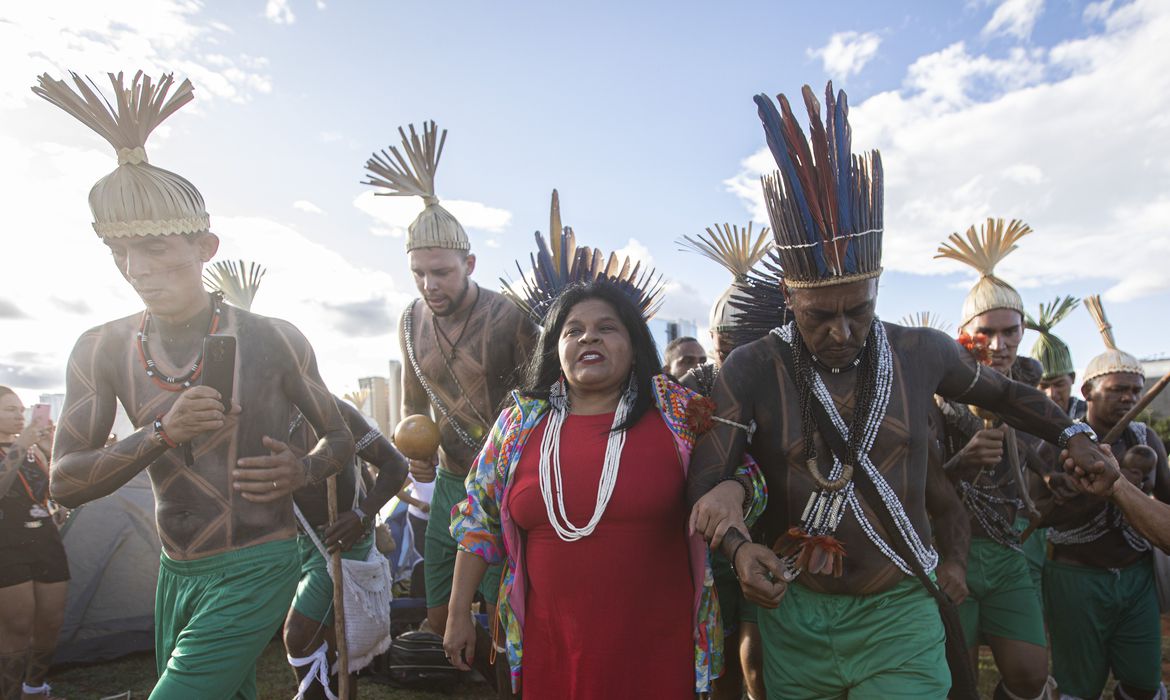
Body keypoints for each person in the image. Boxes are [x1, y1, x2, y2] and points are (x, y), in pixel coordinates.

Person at [685, 82, 1112, 699]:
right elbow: (707, 478)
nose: (841, 331)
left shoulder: (920, 352)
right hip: (795, 617)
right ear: (788, 299)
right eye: (818, 317)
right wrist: (735, 542)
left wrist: (1074, 431)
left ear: (878, 287)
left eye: (858, 310)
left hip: (900, 612)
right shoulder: (754, 367)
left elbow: (1007, 396)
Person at [35, 71, 353, 700]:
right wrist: (161, 433)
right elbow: (63, 479)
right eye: (120, 253)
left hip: (260, 562)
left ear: (206, 245)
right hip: (174, 572)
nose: (137, 270)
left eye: (155, 249)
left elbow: (343, 439)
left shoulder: (276, 338)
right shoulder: (99, 347)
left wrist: (306, 471)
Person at [445, 229, 767, 697]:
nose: (588, 336)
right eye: (572, 330)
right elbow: (478, 519)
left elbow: (749, 474)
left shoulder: (678, 412)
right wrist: (457, 616)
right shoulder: (519, 424)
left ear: (635, 345)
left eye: (606, 327)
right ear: (556, 348)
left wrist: (732, 489)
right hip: (552, 645)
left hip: (658, 648)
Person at [362, 123, 539, 696]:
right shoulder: (410, 320)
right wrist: (414, 450)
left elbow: (540, 402)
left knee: (504, 603)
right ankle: (459, 677)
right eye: (418, 272)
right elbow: (415, 404)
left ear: (470, 262)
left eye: (441, 271)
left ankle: (508, 679)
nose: (429, 284)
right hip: (448, 480)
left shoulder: (511, 318)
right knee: (442, 605)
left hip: (508, 479)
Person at [932, 219, 1054, 700]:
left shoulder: (1029, 396)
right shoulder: (936, 395)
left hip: (1007, 550)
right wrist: (961, 464)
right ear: (965, 335)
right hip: (948, 549)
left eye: (1011, 332)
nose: (999, 346)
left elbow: (1049, 456)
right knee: (956, 681)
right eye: (987, 333)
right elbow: (912, 485)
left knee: (1029, 676)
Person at [1038, 295, 1169, 700]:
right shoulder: (1058, 440)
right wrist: (1100, 489)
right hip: (1076, 578)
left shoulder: (1147, 439)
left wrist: (1130, 487)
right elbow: (1044, 515)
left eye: (1135, 390)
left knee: (1144, 684)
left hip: (1137, 577)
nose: (1129, 399)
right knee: (1079, 686)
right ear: (1088, 391)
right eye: (1117, 390)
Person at [678, 221, 774, 700]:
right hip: (706, 540)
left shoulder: (783, 384)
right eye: (726, 347)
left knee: (756, 661)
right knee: (718, 666)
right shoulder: (689, 389)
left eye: (746, 349)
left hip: (772, 533)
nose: (735, 362)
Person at [283, 396, 409, 700]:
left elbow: (395, 465)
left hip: (343, 543)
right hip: (300, 544)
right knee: (334, 648)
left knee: (298, 635)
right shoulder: (255, 414)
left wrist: (362, 515)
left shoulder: (333, 410)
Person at [0, 389, 66, 700]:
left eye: (20, 409)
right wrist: (19, 446)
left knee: (50, 622)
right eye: (9, 409)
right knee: (17, 627)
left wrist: (49, 449)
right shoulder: (18, 448)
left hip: (45, 538)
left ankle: (34, 688)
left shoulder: (33, 449)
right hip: (7, 544)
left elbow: (56, 491)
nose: (18, 414)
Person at [1027, 296, 1086, 419]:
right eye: (1043, 386)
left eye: (1059, 384)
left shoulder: (1090, 417)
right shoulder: (1024, 420)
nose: (1051, 394)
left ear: (1073, 378)